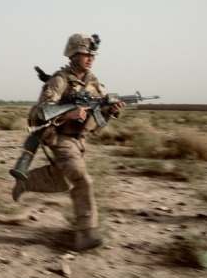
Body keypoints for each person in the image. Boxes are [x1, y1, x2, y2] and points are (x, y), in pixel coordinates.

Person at [11, 33, 126, 252]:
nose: (90, 58)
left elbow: (98, 123)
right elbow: (40, 111)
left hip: (79, 141)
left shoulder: (94, 83)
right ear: (73, 55)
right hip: (60, 138)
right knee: (83, 180)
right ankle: (86, 233)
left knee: (63, 181)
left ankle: (25, 182)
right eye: (85, 54)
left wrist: (110, 111)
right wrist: (68, 114)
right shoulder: (60, 80)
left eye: (92, 54)